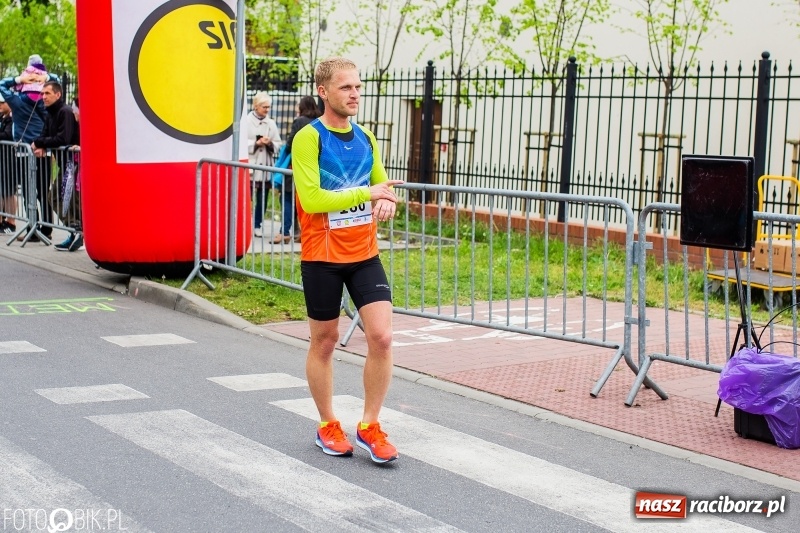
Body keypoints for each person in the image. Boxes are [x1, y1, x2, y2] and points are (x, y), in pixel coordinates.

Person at [292, 57, 404, 463]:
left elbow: (382, 186)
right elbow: (312, 198)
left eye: (357, 87)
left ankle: (369, 425)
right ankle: (327, 424)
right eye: (345, 88)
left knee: (383, 337)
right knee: (325, 341)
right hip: (321, 256)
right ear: (324, 92)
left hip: (364, 254)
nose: (355, 94)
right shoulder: (310, 137)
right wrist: (368, 195)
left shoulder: (367, 138)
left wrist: (388, 201)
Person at [0, 54, 58, 241]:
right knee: (43, 192)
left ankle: (35, 225)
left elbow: (1, 85)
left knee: (28, 192)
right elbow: (57, 84)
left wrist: (19, 79)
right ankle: (44, 228)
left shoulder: (16, 101)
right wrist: (45, 78)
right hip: (41, 151)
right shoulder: (43, 101)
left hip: (24, 151)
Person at [31, 81, 81, 251]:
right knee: (61, 198)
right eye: (42, 93)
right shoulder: (49, 113)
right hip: (64, 164)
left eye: (47, 93)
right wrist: (41, 145)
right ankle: (74, 231)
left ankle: (76, 230)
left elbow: (63, 139)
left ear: (58, 95)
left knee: (59, 197)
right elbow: (45, 134)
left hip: (72, 163)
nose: (43, 97)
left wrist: (39, 142)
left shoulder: (65, 112)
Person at [273, 95, 320, 244]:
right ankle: (303, 232)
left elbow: (289, 144)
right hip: (313, 166)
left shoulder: (299, 121)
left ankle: (285, 232)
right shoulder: (319, 122)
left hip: (295, 166)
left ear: (302, 106)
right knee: (305, 200)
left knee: (287, 198)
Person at [246, 92, 282, 237]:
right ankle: (246, 224)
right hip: (250, 165)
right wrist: (255, 143)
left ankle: (257, 225)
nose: (267, 110)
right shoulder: (246, 121)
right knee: (247, 197)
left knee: (262, 198)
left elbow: (278, 143)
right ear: (256, 106)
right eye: (264, 107)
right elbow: (240, 142)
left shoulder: (271, 123)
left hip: (265, 166)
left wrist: (269, 143)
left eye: (268, 107)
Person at [0, 94, 17, 234]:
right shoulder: (3, 118)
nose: (0, 105)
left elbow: (7, 136)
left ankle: (11, 222)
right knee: (1, 191)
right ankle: (1, 220)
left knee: (9, 192)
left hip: (9, 159)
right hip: (2, 158)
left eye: (2, 103)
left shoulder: (13, 119)